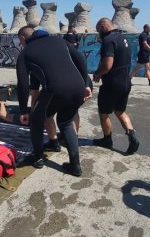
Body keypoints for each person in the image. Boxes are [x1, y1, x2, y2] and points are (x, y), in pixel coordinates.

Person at [16, 26, 92, 176]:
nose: (21, 45)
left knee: (36, 120)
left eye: (20, 42)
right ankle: (75, 165)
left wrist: (24, 110)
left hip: (55, 90)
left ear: (24, 39)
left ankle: (38, 158)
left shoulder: (26, 52)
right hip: (78, 87)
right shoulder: (60, 41)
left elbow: (23, 84)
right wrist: (86, 84)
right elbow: (80, 59)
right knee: (65, 122)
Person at [92, 18, 139, 154]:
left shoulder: (108, 40)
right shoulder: (124, 39)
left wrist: (97, 74)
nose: (98, 34)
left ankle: (107, 140)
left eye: (98, 30)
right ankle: (132, 137)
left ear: (102, 26)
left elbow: (107, 65)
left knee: (104, 113)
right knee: (120, 111)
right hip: (126, 82)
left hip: (112, 84)